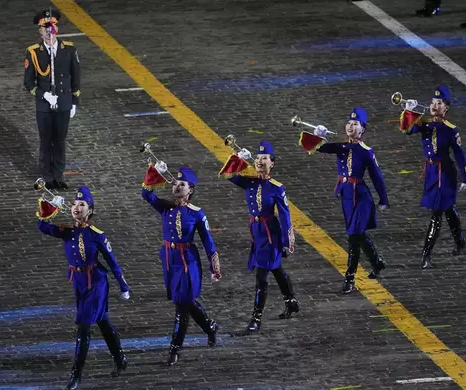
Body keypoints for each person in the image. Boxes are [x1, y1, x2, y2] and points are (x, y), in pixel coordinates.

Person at [36, 186, 130, 390]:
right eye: (74, 204)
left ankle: (75, 375)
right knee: (103, 322)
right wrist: (50, 206)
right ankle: (121, 359)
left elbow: (112, 262)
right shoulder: (67, 232)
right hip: (79, 282)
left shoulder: (97, 235)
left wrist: (123, 286)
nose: (76, 207)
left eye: (82, 204)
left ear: (90, 210)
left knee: (84, 327)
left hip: (96, 283)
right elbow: (42, 226)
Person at [303, 108, 389, 293]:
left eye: (355, 124)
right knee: (357, 235)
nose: (351, 126)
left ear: (362, 129)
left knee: (353, 236)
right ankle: (377, 262)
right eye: (349, 123)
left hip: (361, 197)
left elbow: (377, 176)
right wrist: (317, 135)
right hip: (347, 197)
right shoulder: (341, 146)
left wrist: (383, 199)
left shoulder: (367, 151)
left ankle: (349, 278)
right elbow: (317, 147)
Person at [141, 167, 222, 365]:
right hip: (171, 260)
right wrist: (155, 172)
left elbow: (207, 242)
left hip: (188, 261)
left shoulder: (197, 214)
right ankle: (209, 326)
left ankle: (175, 348)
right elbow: (146, 193)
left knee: (181, 306)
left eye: (182, 184)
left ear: (191, 189)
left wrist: (215, 267)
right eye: (175, 183)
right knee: (184, 301)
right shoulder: (165, 208)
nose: (177, 186)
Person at [224, 141, 299, 333]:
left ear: (272, 163)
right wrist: (237, 156)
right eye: (257, 158)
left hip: (270, 233)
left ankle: (256, 318)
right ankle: (291, 301)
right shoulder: (249, 181)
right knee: (275, 269)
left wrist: (286, 240)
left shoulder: (276, 187)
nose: (259, 161)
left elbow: (284, 215)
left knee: (262, 275)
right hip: (256, 232)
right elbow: (228, 174)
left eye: (264, 158)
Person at [397, 86, 466, 269]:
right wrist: (408, 111)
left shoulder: (450, 129)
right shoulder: (424, 125)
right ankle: (460, 243)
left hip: (445, 174)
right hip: (431, 173)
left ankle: (426, 255)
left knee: (437, 213)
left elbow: (459, 154)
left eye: (439, 103)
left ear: (446, 107)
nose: (434, 106)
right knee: (447, 208)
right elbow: (407, 131)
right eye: (432, 102)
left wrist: (465, 177)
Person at [24, 9, 81, 190]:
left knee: (60, 141)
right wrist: (44, 95)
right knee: (46, 140)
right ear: (40, 31)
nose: (49, 30)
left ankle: (58, 175)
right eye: (45, 27)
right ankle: (47, 176)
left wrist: (74, 101)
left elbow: (76, 76)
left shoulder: (69, 49)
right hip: (44, 105)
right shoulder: (34, 52)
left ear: (57, 28)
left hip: (64, 102)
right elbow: (28, 82)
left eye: (52, 26)